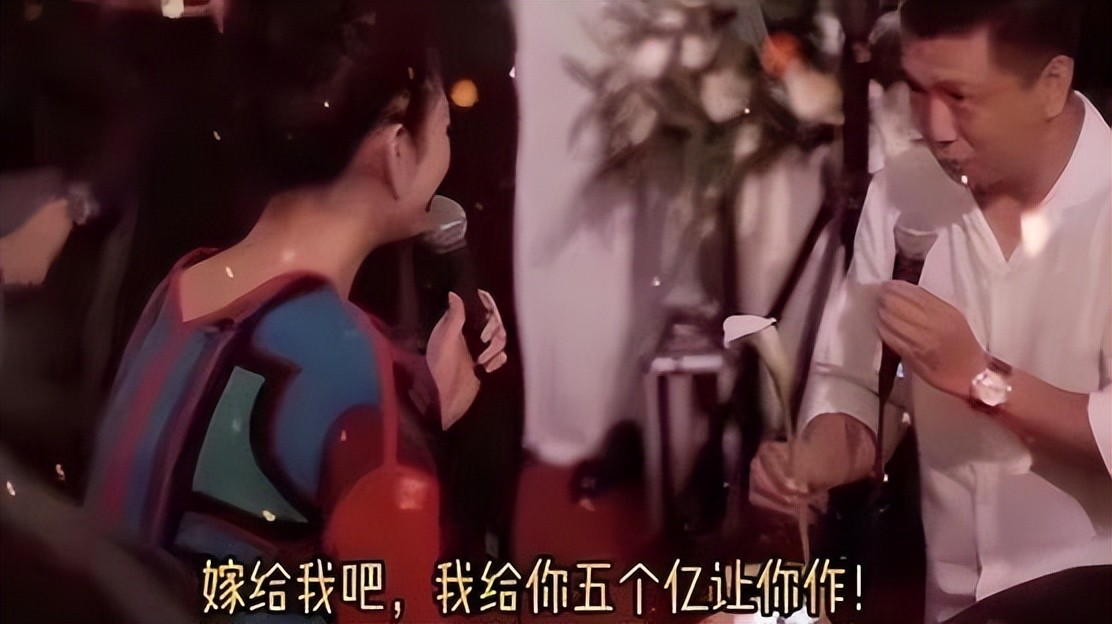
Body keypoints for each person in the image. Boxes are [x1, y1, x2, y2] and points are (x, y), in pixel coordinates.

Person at [82, 1, 508, 621]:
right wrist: (413, 432)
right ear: (396, 153)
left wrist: (415, 402)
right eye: (443, 128)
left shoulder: (179, 290)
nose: (449, 146)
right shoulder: (352, 371)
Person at [749, 1, 1111, 622]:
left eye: (960, 96)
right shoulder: (902, 190)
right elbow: (863, 383)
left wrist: (982, 379)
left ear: (1052, 84)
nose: (935, 127)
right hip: (951, 601)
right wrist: (811, 463)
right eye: (918, 89)